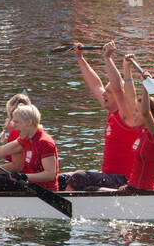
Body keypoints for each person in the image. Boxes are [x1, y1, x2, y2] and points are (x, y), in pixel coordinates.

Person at [59, 41, 143, 192]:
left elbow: (117, 87)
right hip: (109, 177)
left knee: (79, 177)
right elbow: (95, 84)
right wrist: (80, 58)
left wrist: (107, 58)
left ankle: (66, 206)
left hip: (123, 179)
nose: (103, 93)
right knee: (62, 178)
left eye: (108, 92)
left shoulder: (128, 116)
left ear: (119, 97)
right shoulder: (111, 111)